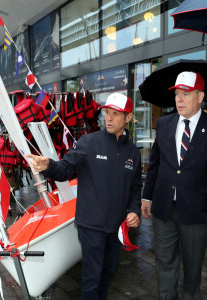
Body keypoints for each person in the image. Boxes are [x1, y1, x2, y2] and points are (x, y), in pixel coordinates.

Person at [27, 92, 142, 300]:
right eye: (107, 112)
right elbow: (65, 169)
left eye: (115, 114)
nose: (109, 118)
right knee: (91, 279)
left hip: (117, 227)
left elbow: (134, 187)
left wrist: (134, 210)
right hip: (91, 226)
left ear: (127, 117)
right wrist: (48, 166)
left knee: (108, 275)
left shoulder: (133, 152)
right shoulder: (88, 143)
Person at [142, 71, 207, 300]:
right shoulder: (164, 123)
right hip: (163, 209)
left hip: (197, 212)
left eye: (186, 94)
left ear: (200, 96)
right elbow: (155, 164)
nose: (179, 99)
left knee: (192, 269)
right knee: (165, 266)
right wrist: (147, 197)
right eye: (177, 94)